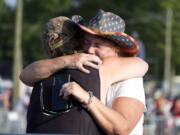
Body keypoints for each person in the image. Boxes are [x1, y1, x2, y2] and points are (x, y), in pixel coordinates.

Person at [20, 9, 148, 135]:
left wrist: (87, 98)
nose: (90, 50)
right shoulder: (76, 66)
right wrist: (69, 60)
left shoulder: (130, 78)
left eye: (98, 45)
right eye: (86, 42)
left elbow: (122, 129)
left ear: (116, 49)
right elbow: (25, 75)